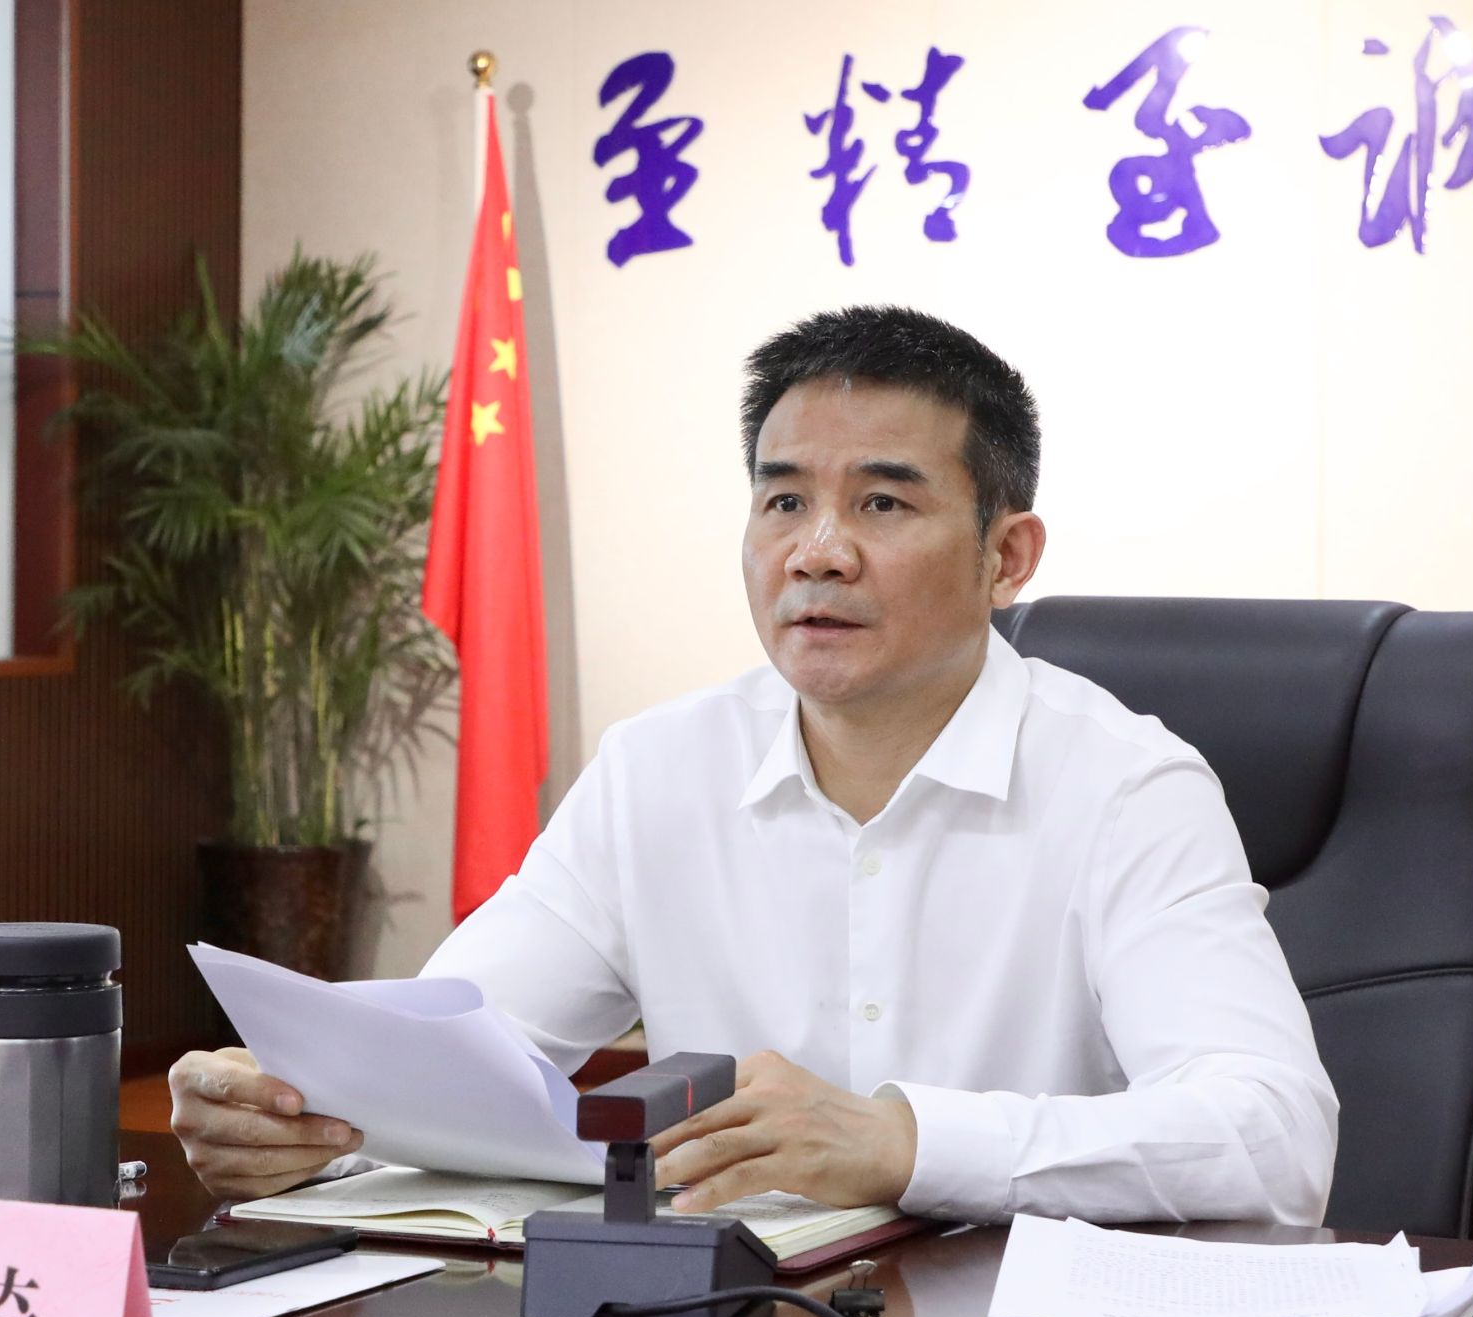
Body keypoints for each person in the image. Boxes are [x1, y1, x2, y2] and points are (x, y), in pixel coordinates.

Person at [169, 305, 1339, 1226]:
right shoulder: (656, 771)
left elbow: (1273, 1135)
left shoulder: (1125, 789)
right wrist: (297, 1110)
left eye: (881, 502)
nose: (816, 553)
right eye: (783, 499)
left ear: (1006, 556)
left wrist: (907, 1143)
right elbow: (464, 1049)